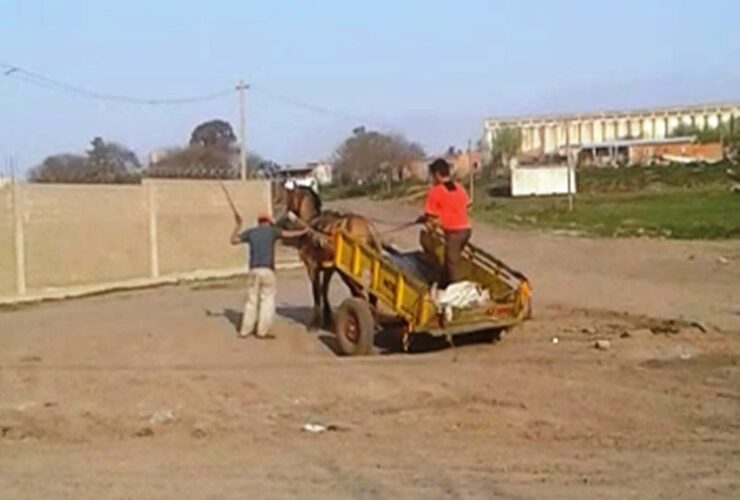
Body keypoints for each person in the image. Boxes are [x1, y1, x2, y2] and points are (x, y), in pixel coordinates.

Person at [230, 211, 306, 339]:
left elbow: (233, 240)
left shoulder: (251, 232)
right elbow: (289, 234)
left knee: (251, 300)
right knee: (267, 300)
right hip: (267, 270)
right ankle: (262, 331)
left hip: (254, 270)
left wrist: (238, 225)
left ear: (259, 222)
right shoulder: (272, 231)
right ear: (268, 221)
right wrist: (304, 231)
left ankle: (245, 331)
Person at [416, 158, 472, 287]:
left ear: (436, 174)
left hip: (454, 234)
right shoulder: (459, 187)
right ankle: (443, 285)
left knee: (452, 266)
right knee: (448, 261)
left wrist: (426, 221)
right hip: (466, 231)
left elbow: (430, 217)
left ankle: (457, 293)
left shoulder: (436, 191)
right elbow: (465, 205)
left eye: (432, 175)